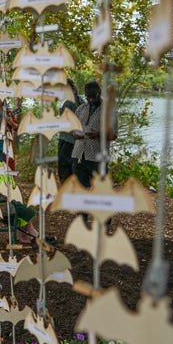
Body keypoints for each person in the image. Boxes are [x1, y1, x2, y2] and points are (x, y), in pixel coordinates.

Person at [71, 81, 118, 232]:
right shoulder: (80, 109)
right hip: (80, 154)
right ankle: (82, 220)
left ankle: (106, 222)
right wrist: (77, 134)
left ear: (99, 93)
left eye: (94, 96)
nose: (91, 100)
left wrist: (97, 134)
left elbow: (113, 135)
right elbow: (74, 129)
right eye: (88, 97)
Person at [57, 79, 82, 183]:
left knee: (64, 170)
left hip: (66, 141)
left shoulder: (68, 102)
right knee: (74, 169)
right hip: (77, 142)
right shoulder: (81, 100)